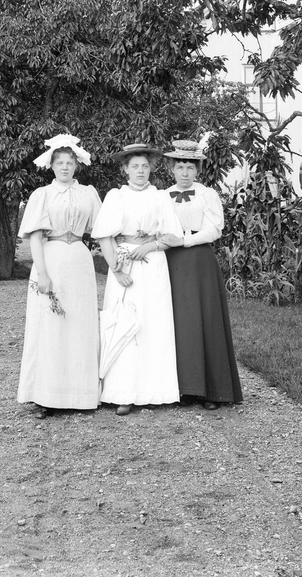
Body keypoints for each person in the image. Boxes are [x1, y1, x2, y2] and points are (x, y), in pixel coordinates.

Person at [92, 143, 184, 415]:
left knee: (153, 322)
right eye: (135, 167)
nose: (140, 171)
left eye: (145, 166)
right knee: (125, 322)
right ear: (125, 169)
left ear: (151, 169)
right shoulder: (116, 196)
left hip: (153, 263)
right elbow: (104, 235)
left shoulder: (160, 197)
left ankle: (156, 391)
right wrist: (116, 269)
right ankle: (124, 393)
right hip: (124, 263)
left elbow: (174, 236)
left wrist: (151, 246)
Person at [17, 134, 104, 418]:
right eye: (60, 163)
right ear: (51, 165)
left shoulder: (88, 193)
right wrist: (42, 273)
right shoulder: (42, 194)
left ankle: (81, 394)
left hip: (79, 260)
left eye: (69, 162)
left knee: (79, 323)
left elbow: (103, 229)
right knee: (50, 325)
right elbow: (35, 236)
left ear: (76, 165)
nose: (65, 167)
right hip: (51, 260)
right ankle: (46, 396)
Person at [162, 138, 242, 409]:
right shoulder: (162, 196)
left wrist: (184, 241)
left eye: (190, 168)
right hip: (172, 261)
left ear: (197, 170)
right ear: (172, 169)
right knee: (180, 320)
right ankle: (186, 389)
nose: (185, 173)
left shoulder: (207, 194)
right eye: (180, 167)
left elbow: (214, 230)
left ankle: (213, 391)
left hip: (200, 259)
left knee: (207, 319)